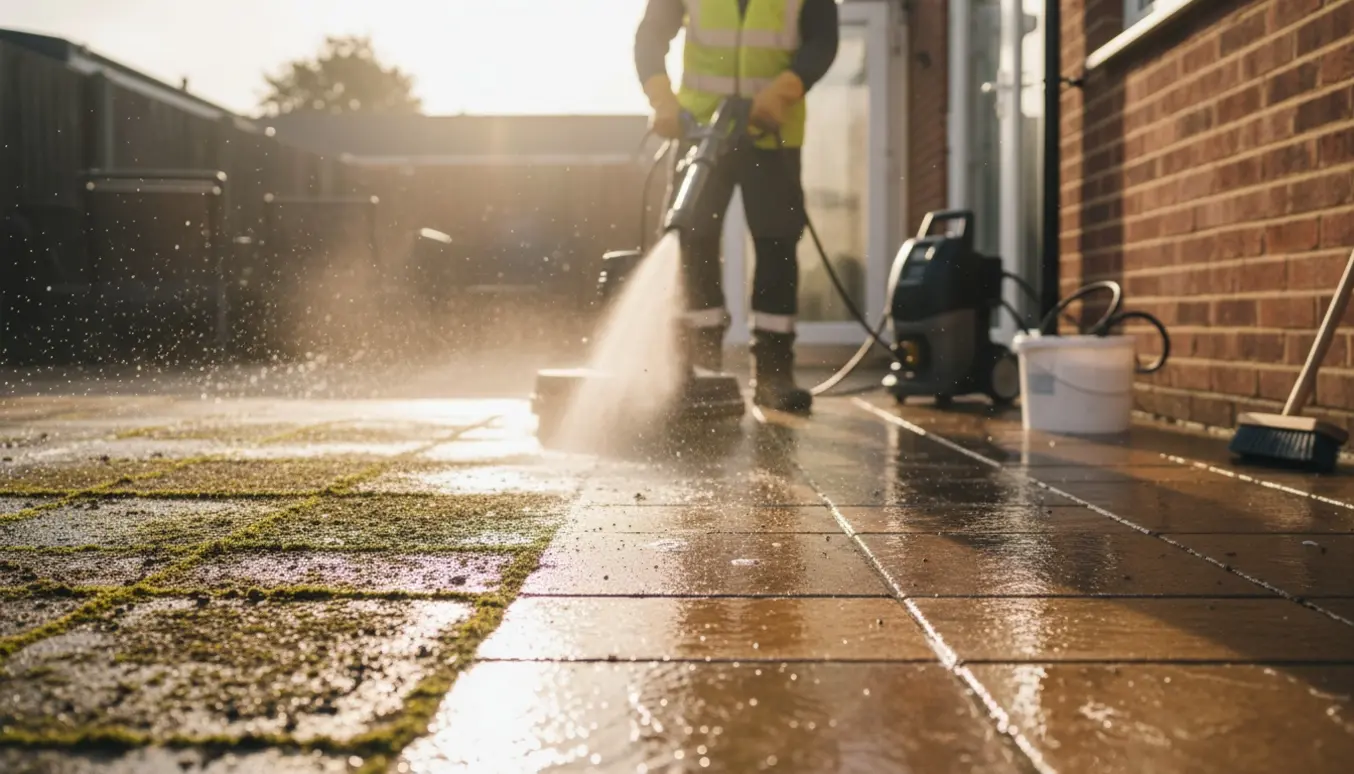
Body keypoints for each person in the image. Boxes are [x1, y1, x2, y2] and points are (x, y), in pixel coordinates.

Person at [635, 0, 839, 414]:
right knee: (692, 239)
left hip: (770, 129)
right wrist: (662, 100)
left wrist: (783, 91)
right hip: (701, 130)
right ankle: (701, 368)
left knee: (777, 243)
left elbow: (822, 41)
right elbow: (651, 35)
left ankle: (774, 374)